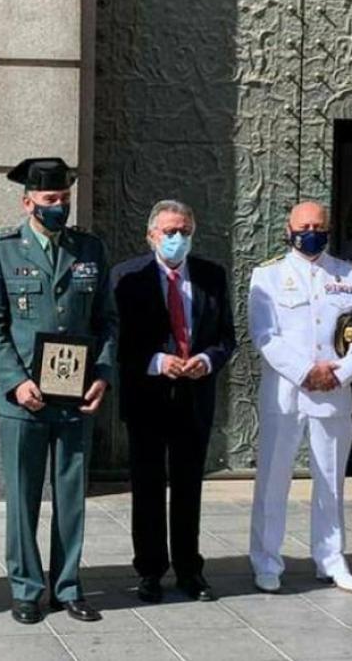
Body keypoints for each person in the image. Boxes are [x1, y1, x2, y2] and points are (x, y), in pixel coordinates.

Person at [0, 157, 118, 625]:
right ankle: (26, 588)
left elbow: (106, 321)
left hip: (76, 394)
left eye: (63, 199)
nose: (58, 206)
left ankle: (68, 585)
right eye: (49, 199)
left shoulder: (89, 249)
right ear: (28, 201)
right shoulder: (1, 250)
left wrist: (102, 373)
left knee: (71, 493)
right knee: (23, 496)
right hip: (25, 397)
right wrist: (16, 382)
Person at [247, 201, 352, 595]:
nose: (311, 231)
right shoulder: (268, 275)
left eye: (319, 225)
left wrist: (338, 373)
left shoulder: (349, 274)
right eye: (304, 225)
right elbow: (264, 334)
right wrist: (306, 371)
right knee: (273, 480)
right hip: (286, 394)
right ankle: (267, 561)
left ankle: (331, 558)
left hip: (333, 395)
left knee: (331, 480)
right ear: (288, 229)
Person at [112, 200, 236, 604]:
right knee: (147, 486)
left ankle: (190, 569)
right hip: (148, 396)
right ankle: (149, 570)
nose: (177, 238)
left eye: (184, 231)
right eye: (169, 232)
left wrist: (206, 360)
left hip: (193, 397)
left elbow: (225, 337)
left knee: (188, 487)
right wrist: (156, 361)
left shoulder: (212, 276)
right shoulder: (126, 278)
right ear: (151, 236)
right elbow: (117, 340)